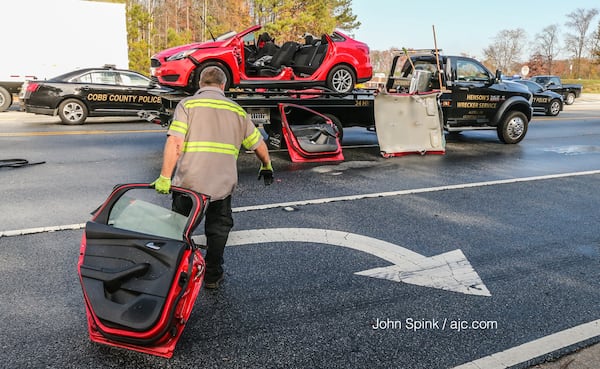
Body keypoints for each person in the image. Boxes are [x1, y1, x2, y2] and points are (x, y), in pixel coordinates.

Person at [152, 66, 274, 289]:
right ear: (223, 85)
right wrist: (266, 165)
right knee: (218, 230)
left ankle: (174, 274)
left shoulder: (187, 105)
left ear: (200, 83)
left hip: (189, 184)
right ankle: (212, 276)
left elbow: (175, 142)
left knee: (178, 229)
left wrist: (164, 177)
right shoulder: (237, 111)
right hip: (221, 187)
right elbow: (258, 145)